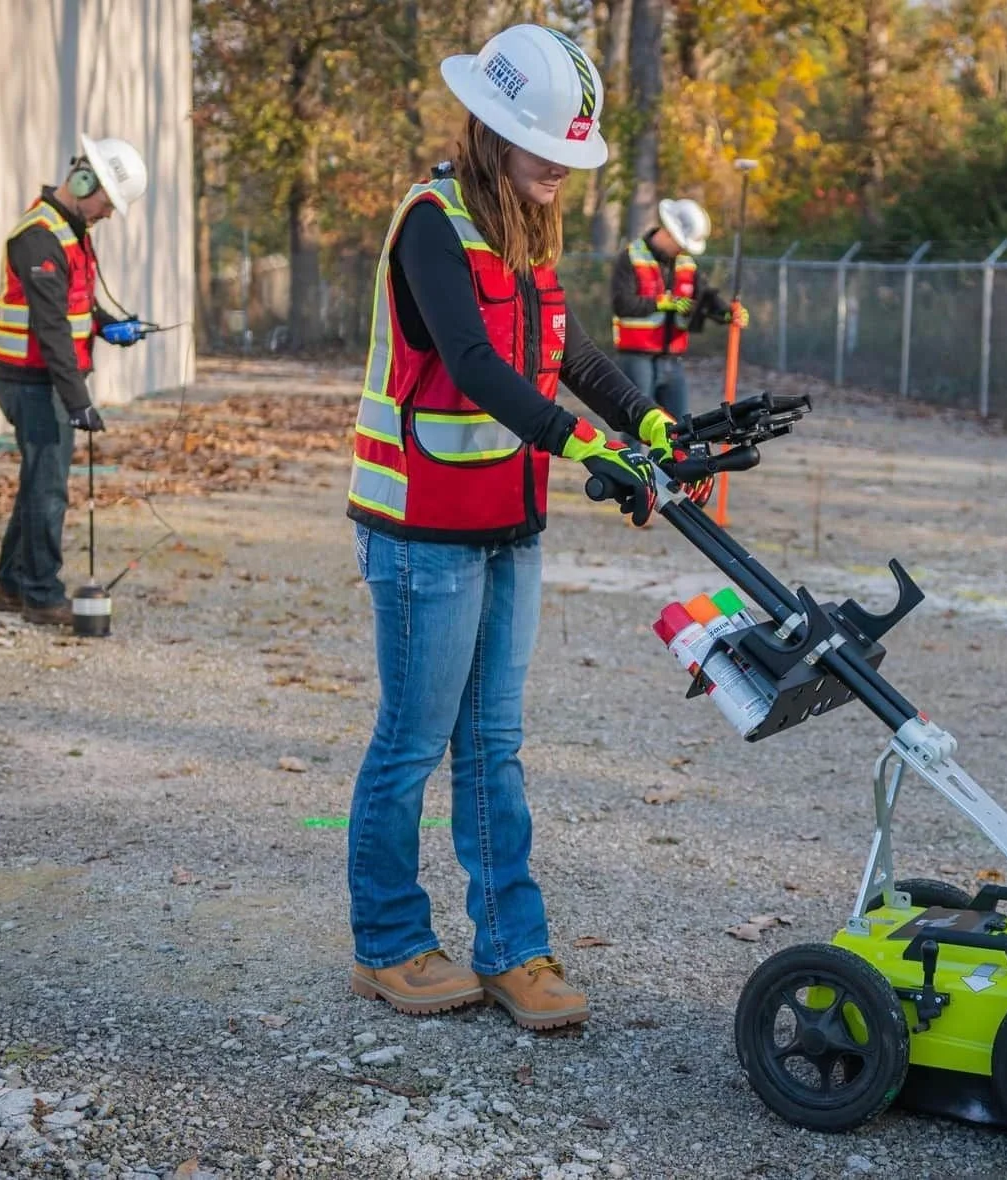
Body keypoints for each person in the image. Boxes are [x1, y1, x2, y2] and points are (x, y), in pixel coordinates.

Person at [344, 24, 696, 1032]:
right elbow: (470, 362)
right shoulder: (431, 222)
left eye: (569, 157)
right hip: (419, 527)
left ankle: (510, 947)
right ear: (495, 131)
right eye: (549, 153)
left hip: (504, 523)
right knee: (412, 744)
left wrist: (646, 420)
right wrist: (574, 445)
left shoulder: (524, 225)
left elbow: (565, 349)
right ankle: (388, 943)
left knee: (493, 745)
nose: (559, 173)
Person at [0, 134, 150, 626]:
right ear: (84, 180)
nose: (109, 214)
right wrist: (78, 401)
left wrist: (107, 324)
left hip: (46, 379)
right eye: (108, 202)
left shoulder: (70, 230)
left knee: (39, 482)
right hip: (30, 381)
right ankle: (40, 595)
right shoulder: (38, 236)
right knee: (48, 488)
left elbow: (75, 303)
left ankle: (13, 587)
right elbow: (51, 327)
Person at [609, 197, 747, 430]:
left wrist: (725, 314)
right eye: (681, 243)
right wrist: (663, 303)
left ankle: (670, 467)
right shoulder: (631, 256)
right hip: (636, 357)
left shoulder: (686, 264)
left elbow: (704, 298)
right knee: (637, 427)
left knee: (681, 428)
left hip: (672, 360)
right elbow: (622, 304)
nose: (683, 249)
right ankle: (634, 466)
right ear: (669, 233)